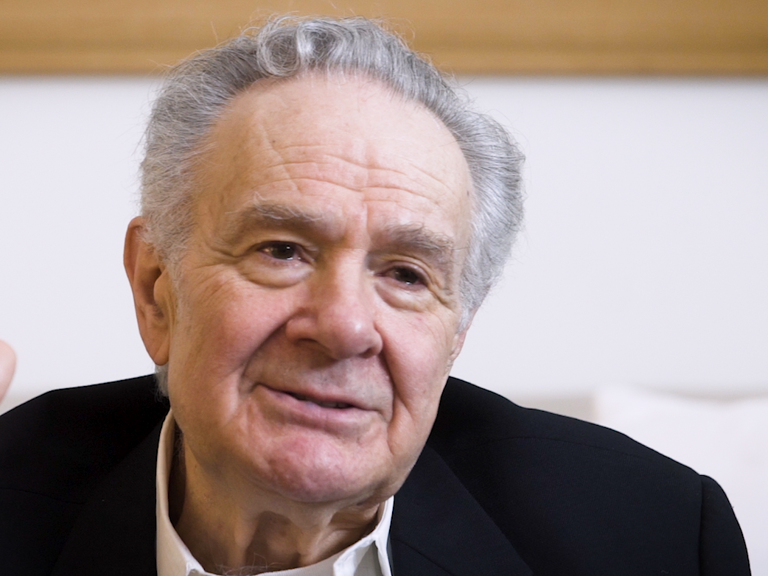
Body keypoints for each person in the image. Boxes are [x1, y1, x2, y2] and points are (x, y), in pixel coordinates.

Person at [0, 16, 750, 576]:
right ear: (156, 291)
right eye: (282, 250)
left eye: (406, 275)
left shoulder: (654, 537)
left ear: (458, 331)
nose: (346, 326)